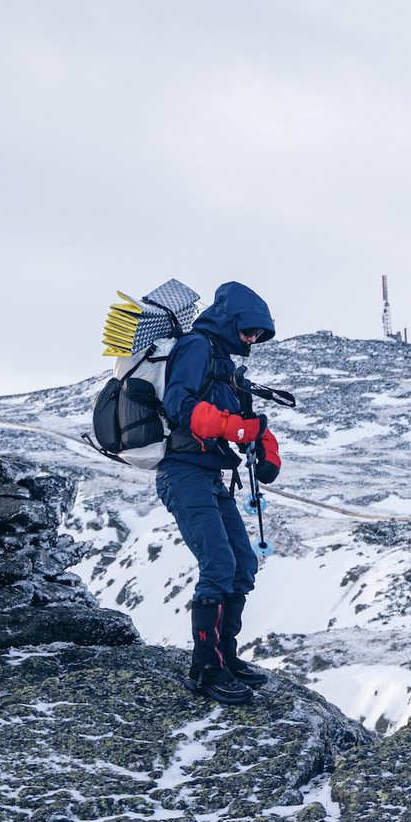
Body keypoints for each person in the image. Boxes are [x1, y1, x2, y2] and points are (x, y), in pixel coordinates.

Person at [157, 281, 284, 704]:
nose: (252, 340)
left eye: (258, 336)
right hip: (183, 472)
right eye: (249, 331)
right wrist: (232, 428)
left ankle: (226, 658)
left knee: (242, 564)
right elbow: (178, 402)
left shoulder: (225, 365)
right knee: (218, 563)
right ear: (231, 322)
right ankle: (206, 669)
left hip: (210, 473)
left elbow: (249, 419)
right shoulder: (196, 347)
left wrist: (265, 451)